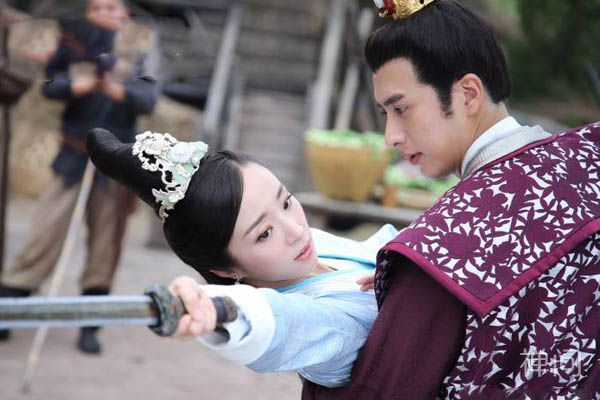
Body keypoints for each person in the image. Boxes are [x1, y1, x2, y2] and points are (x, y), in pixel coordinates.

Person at [301, 1, 600, 399]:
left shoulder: (445, 246)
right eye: (385, 114)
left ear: (468, 94)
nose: (390, 136)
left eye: (401, 109)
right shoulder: (588, 159)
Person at [86, 127, 397, 388]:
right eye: (264, 233)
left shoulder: (309, 247)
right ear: (225, 269)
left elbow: (384, 243)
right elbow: (277, 320)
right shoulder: (313, 321)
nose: (295, 230)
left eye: (286, 202)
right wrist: (211, 306)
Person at [0, 0, 157, 354]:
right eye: (98, 8)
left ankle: (91, 323)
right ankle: (11, 307)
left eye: (112, 8)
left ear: (125, 13)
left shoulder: (141, 49)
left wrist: (120, 92)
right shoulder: (73, 40)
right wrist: (76, 85)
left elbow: (148, 97)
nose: (105, 14)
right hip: (73, 155)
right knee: (45, 232)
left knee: (104, 245)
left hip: (114, 162)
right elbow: (49, 84)